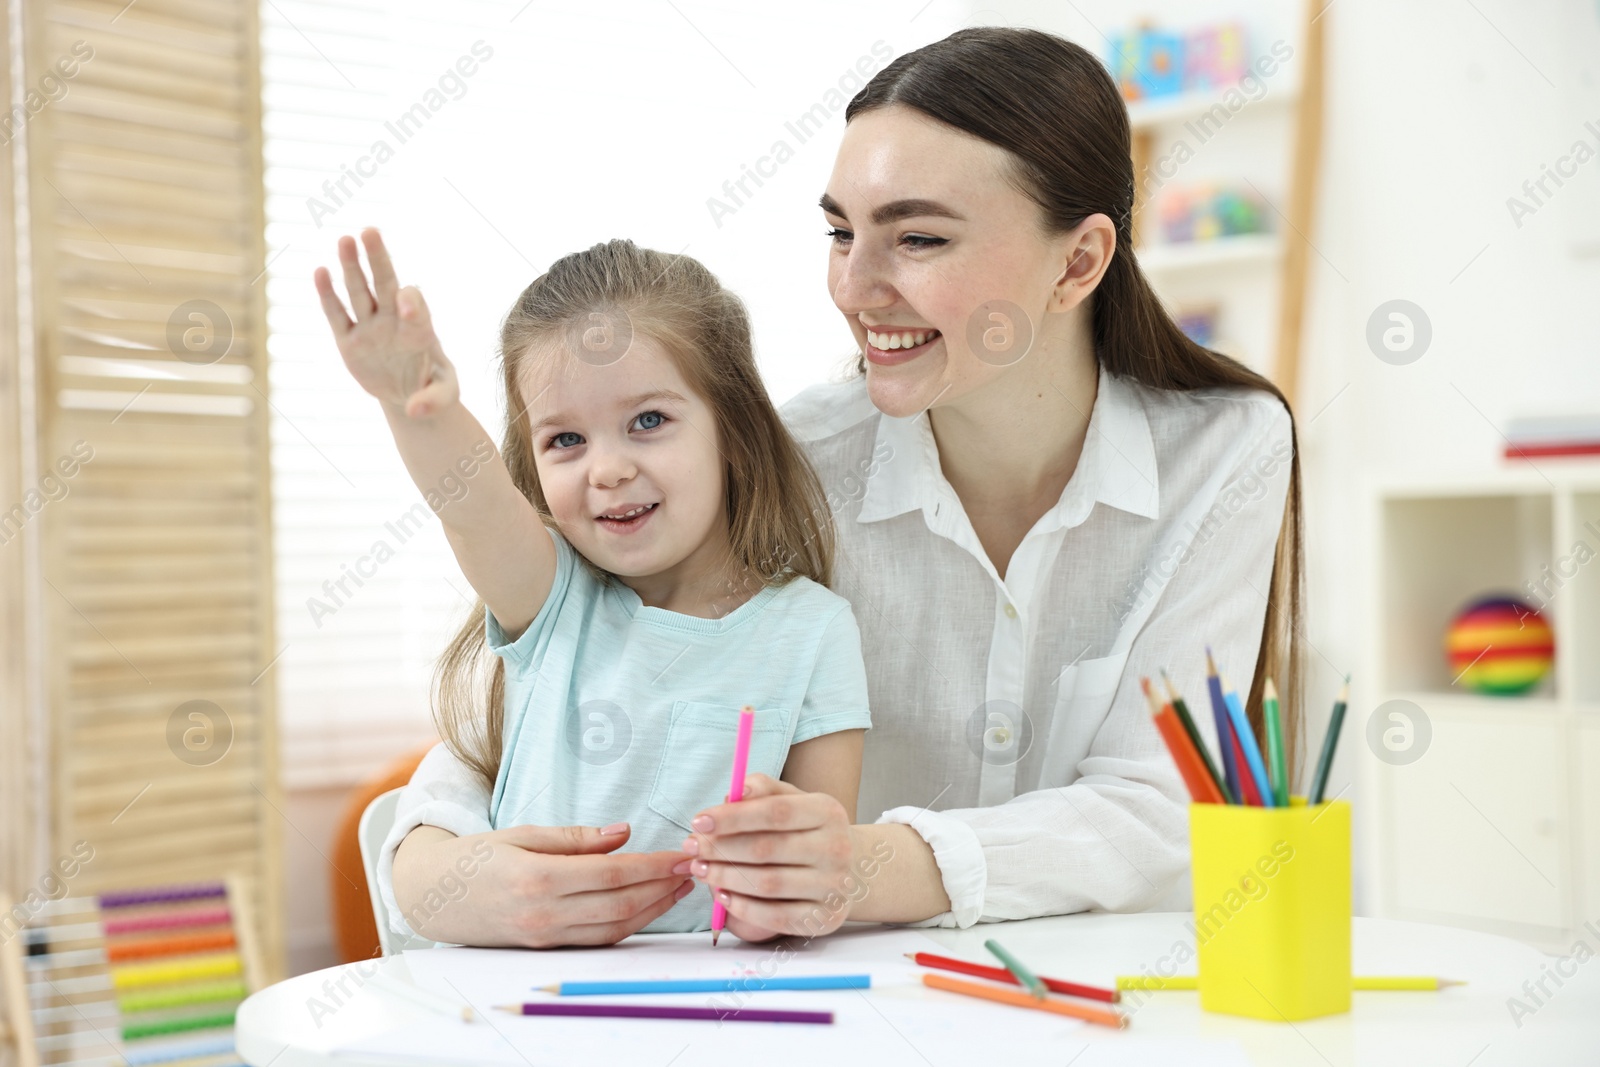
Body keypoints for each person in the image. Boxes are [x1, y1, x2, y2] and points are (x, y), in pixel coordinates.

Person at [379, 26, 1304, 947]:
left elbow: (1159, 798)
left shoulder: (1225, 451)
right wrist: (432, 872)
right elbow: (576, 669)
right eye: (840, 232)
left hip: (1117, 996)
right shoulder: (795, 456)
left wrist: (865, 864)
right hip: (860, 1011)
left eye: (918, 237)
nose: (855, 286)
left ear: (1079, 262)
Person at [314, 233, 871, 943]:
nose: (606, 468)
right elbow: (473, 505)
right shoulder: (554, 599)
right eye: (565, 440)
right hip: (524, 1003)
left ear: (731, 429)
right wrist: (414, 405)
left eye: (648, 421)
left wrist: (787, 868)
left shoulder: (816, 630)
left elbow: (823, 868)